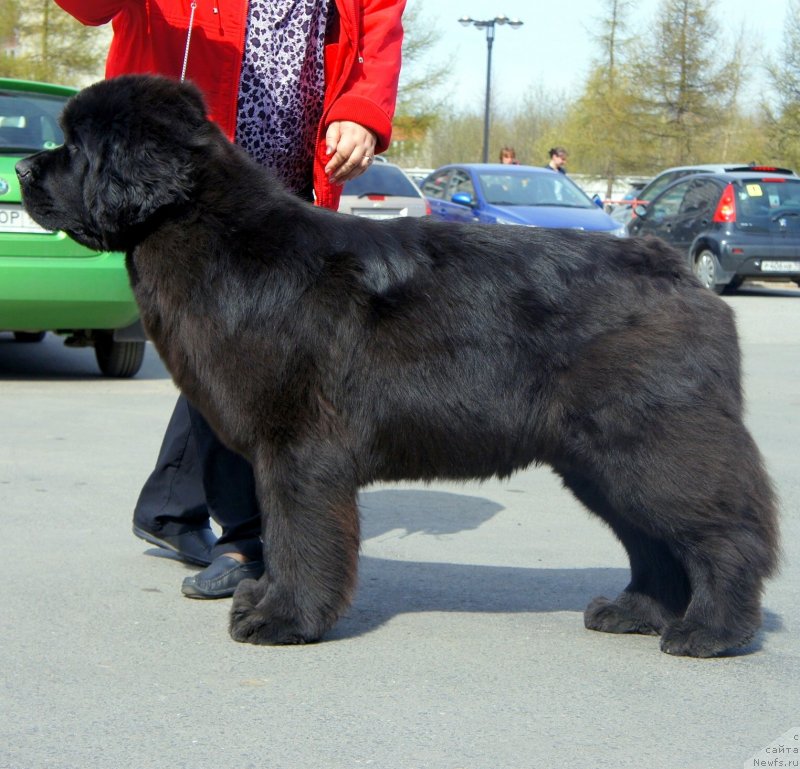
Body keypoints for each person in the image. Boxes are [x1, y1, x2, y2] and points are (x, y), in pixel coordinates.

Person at [56, 0, 406, 598]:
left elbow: (377, 23)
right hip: (186, 169)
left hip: (292, 174)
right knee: (240, 355)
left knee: (234, 350)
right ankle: (244, 536)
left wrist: (362, 110)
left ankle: (170, 507)